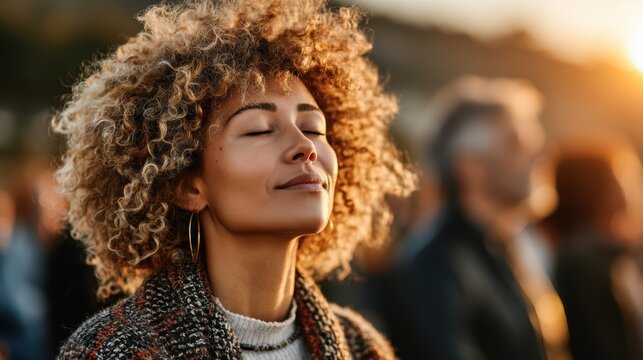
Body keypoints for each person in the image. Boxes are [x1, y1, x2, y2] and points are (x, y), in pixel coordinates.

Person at [52, 0, 415, 358]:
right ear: (187, 185)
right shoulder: (115, 350)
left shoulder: (363, 347)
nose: (304, 146)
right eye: (259, 130)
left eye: (314, 128)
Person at [383, 76, 568, 359]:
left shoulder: (508, 248)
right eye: (516, 142)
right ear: (470, 167)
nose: (538, 153)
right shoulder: (434, 264)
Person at [542, 139, 643, 360]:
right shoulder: (584, 258)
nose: (632, 186)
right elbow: (602, 343)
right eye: (622, 176)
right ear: (595, 185)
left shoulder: (599, 251)